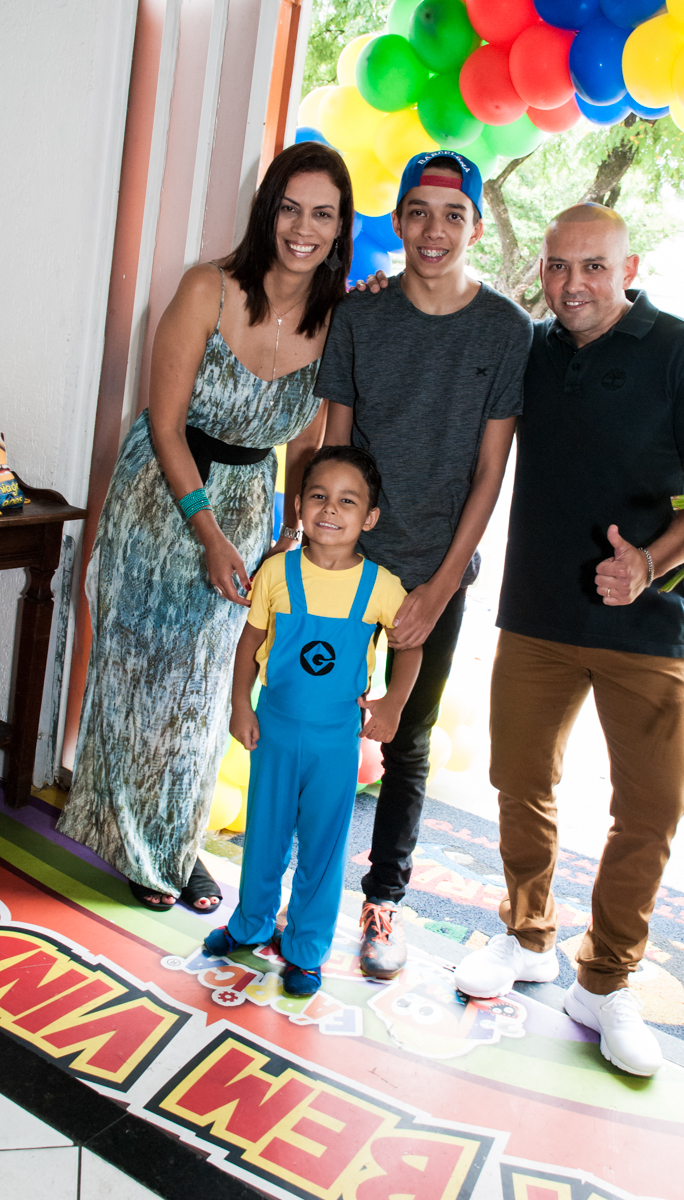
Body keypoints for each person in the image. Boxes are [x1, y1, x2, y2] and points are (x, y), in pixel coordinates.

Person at [454, 204, 684, 1077]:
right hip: (536, 615)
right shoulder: (531, 350)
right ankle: (526, 936)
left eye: (590, 267)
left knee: (652, 805)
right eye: (555, 267)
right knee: (519, 782)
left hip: (648, 625)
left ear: (628, 267)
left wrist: (649, 568)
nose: (570, 285)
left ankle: (606, 981)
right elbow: (450, 313)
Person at [58, 143, 354, 912]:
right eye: (290, 207)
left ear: (340, 226)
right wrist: (208, 531)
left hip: (252, 504)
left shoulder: (337, 318)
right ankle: (133, 842)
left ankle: (178, 843)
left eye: (323, 213)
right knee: (140, 673)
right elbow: (163, 425)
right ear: (268, 210)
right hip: (166, 494)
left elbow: (308, 442)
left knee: (205, 684)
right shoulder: (208, 287)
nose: (303, 227)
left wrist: (294, 528)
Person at [318, 150, 533, 978]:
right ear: (399, 221)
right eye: (417, 212)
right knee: (322, 722)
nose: (433, 230)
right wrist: (322, 556)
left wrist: (440, 586)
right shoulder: (360, 317)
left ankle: (384, 903)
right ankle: (302, 889)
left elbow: (490, 472)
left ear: (474, 226)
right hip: (345, 567)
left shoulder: (504, 331)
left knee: (405, 740)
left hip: (438, 572)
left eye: (451, 215)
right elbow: (335, 444)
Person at [204, 446, 421, 995]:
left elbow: (410, 646)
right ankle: (249, 924)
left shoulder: (381, 586)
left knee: (324, 848)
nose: (331, 509)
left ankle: (305, 950)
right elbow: (250, 641)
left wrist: (393, 703)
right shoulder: (277, 572)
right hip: (274, 730)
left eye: (348, 501)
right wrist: (240, 705)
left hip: (335, 743)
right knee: (265, 836)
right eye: (319, 496)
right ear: (298, 505)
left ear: (369, 518)